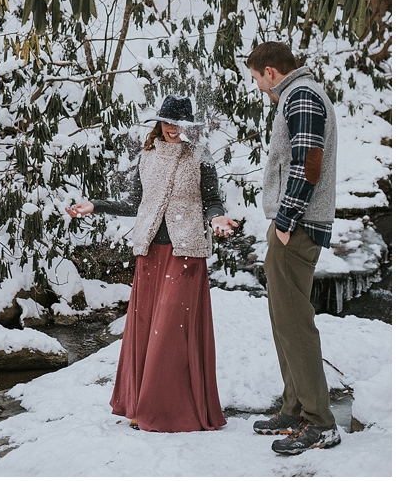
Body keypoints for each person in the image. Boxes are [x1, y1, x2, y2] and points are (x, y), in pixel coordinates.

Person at [67, 94, 238, 433]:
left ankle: (165, 411)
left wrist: (217, 220)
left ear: (190, 126)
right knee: (148, 330)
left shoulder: (199, 157)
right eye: (168, 122)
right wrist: (96, 206)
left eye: (179, 123)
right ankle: (141, 404)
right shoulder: (146, 156)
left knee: (171, 332)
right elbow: (134, 202)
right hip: (150, 252)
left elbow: (212, 201)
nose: (173, 129)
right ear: (159, 123)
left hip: (185, 250)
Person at [246, 42, 341, 455]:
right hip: (294, 224)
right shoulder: (299, 95)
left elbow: (310, 162)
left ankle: (320, 422)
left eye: (257, 80)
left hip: (297, 226)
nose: (259, 89)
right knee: (284, 320)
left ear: (270, 71)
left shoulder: (300, 95)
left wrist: (285, 219)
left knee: (295, 323)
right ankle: (294, 409)